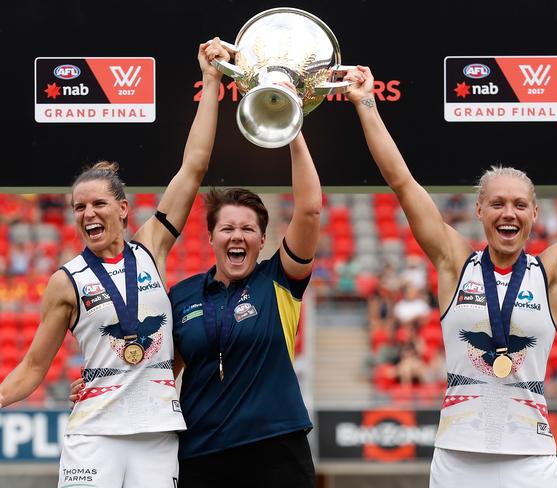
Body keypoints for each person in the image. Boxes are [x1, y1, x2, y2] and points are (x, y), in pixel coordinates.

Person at [345, 65, 557, 487]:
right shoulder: (454, 262)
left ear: (534, 214)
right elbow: (401, 182)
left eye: (520, 205)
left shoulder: (552, 271)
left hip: (532, 460)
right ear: (480, 211)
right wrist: (366, 104)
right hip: (457, 459)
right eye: (498, 204)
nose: (509, 213)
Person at [0, 37, 231, 487]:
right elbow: (31, 368)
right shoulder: (65, 281)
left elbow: (194, 167)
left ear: (123, 209)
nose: (88, 214)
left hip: (157, 434)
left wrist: (210, 78)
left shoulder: (151, 248)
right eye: (78, 207)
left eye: (98, 204)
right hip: (95, 433)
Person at [169, 122, 321, 487]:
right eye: (227, 228)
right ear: (210, 237)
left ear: (263, 238)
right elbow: (160, 373)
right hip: (202, 454)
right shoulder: (182, 294)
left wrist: (292, 127)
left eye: (248, 229)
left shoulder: (279, 279)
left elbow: (310, 209)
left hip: (276, 450)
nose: (237, 236)